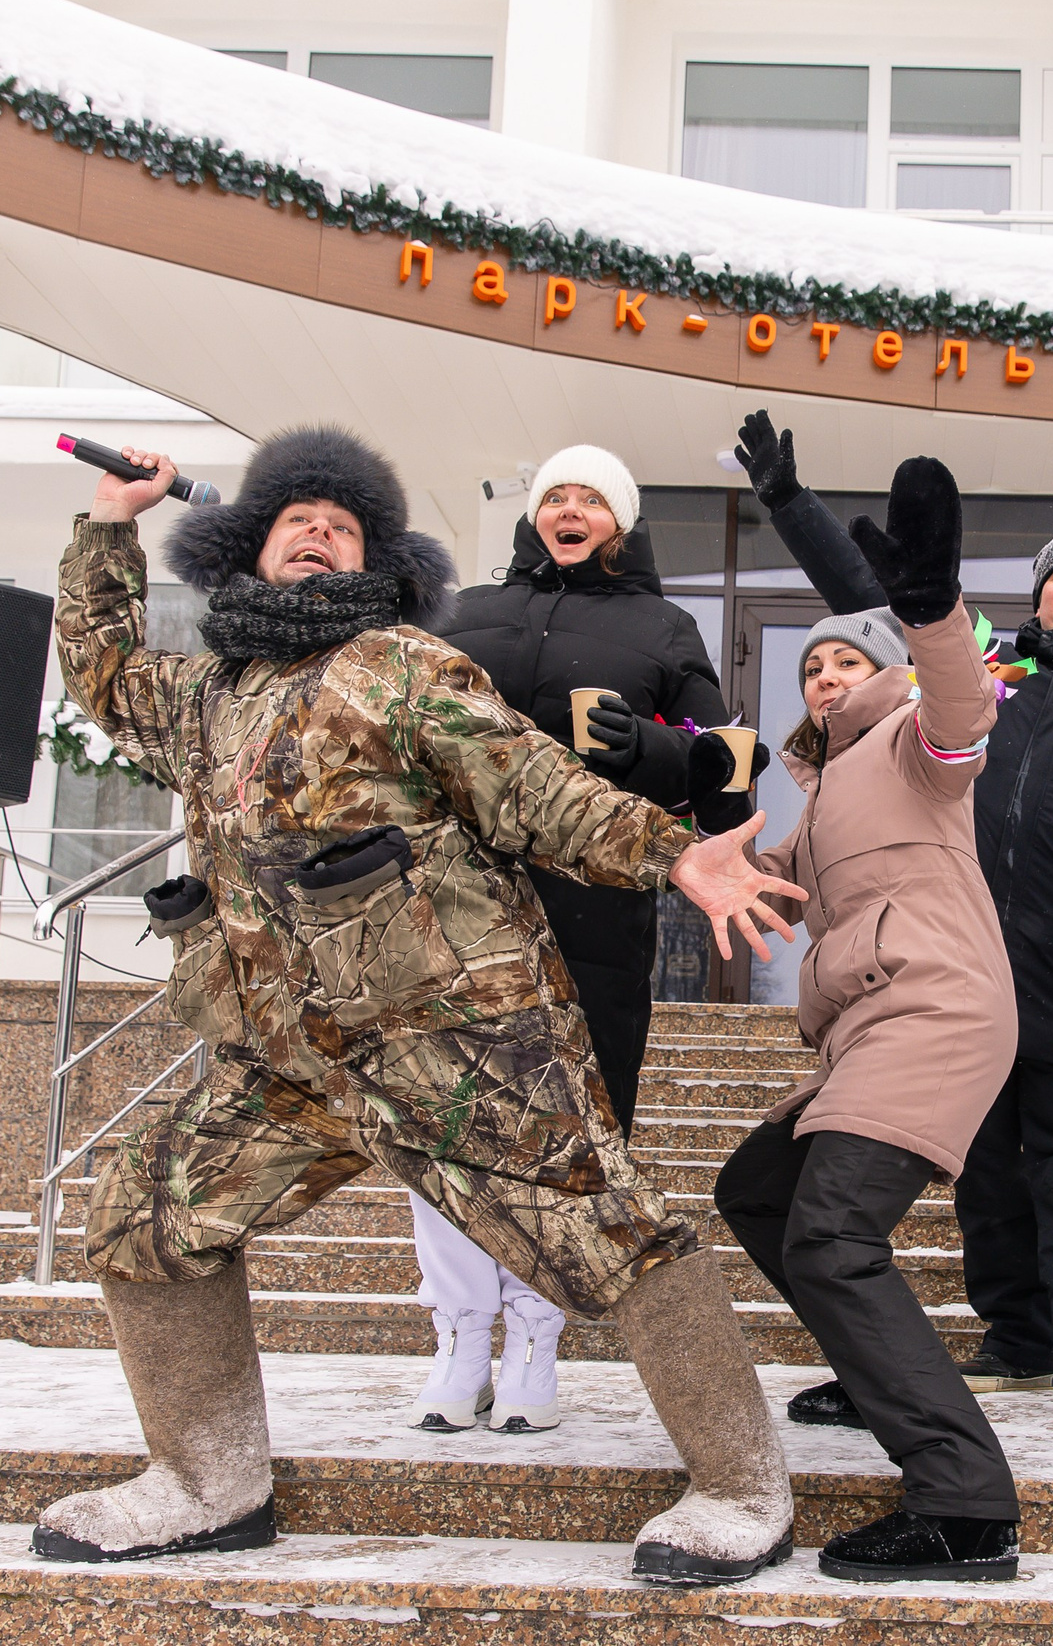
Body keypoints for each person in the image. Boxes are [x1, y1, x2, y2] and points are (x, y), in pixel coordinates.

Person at [34, 428, 808, 1587]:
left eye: (339, 525)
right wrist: (108, 521)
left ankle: (744, 1487)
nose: (313, 530)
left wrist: (675, 854)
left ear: (375, 566)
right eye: (291, 516)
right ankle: (210, 1480)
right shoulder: (207, 695)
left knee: (615, 1236)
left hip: (461, 1045)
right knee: (145, 1206)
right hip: (287, 1055)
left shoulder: (405, 664)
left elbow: (536, 786)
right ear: (245, 548)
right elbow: (98, 666)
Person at [730, 412, 1053, 1439]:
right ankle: (1017, 1333)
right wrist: (792, 506)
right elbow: (884, 609)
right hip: (954, 959)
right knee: (983, 1158)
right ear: (1038, 593)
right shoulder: (981, 677)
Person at [709, 456, 1023, 1584]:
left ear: (882, 670)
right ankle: (870, 1354)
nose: (829, 676)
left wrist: (932, 614)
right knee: (756, 1190)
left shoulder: (913, 747)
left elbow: (961, 712)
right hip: (866, 1029)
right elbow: (757, 876)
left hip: (933, 1008)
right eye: (813, 665)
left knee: (836, 1237)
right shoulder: (825, 787)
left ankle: (965, 1503)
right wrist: (683, 789)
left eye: (849, 657)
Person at [401, 444, 759, 1435]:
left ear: (621, 521)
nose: (570, 507)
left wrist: (644, 749)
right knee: (442, 1121)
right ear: (533, 514)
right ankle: (460, 1332)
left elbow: (730, 766)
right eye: (556, 493)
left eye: (591, 497)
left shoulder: (661, 625)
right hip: (455, 903)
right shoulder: (466, 609)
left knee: (570, 1126)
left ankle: (535, 1334)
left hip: (594, 905)